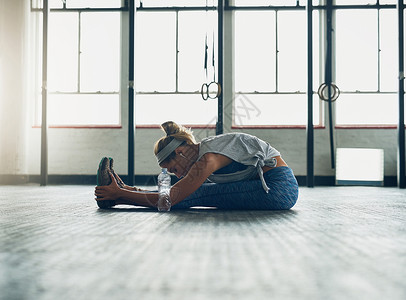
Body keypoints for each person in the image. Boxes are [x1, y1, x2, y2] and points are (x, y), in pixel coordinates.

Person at [94, 121, 298, 210]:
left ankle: (117, 196)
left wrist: (120, 195)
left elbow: (171, 199)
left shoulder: (208, 157)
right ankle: (124, 191)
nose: (175, 174)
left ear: (181, 152)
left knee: (190, 195)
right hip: (272, 186)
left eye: (173, 169)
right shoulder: (207, 152)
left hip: (277, 189)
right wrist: (130, 189)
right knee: (188, 192)